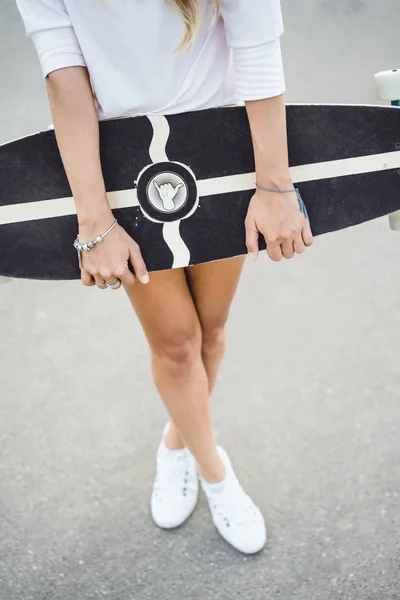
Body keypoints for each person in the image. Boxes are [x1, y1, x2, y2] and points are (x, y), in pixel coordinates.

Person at [16, 0, 313, 555]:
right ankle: (215, 473)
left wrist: (275, 186)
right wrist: (94, 218)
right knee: (178, 345)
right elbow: (63, 71)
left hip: (224, 148)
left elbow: (256, 43)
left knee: (212, 330)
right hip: (125, 161)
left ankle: (178, 440)